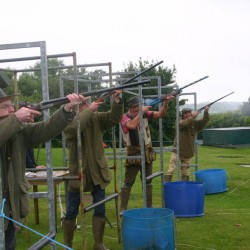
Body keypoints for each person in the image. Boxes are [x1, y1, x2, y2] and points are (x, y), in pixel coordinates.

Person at [0, 87, 86, 250]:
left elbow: (44, 130)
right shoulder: (13, 124)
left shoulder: (16, 130)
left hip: (8, 210)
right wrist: (16, 119)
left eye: (11, 105)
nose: (12, 109)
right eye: (5, 106)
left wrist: (67, 109)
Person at [62, 90, 123, 249]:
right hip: (79, 173)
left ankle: (98, 243)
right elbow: (74, 128)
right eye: (83, 104)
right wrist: (90, 110)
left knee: (100, 208)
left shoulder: (95, 117)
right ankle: (67, 244)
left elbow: (114, 118)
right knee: (71, 210)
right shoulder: (68, 120)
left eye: (86, 103)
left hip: (97, 170)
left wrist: (116, 100)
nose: (87, 106)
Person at [119, 95, 174, 215]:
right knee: (128, 182)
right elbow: (132, 125)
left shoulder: (144, 113)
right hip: (133, 153)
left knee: (148, 181)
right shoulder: (124, 118)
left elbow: (160, 115)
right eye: (136, 107)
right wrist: (141, 112)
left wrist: (165, 104)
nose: (138, 109)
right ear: (132, 108)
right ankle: (123, 208)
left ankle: (149, 206)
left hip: (147, 152)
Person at [164, 106, 210, 182]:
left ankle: (184, 188)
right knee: (171, 170)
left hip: (188, 151)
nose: (189, 115)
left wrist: (206, 111)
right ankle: (166, 187)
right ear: (183, 115)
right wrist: (192, 117)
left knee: (185, 172)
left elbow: (205, 121)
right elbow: (183, 125)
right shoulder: (179, 121)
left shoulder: (194, 123)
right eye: (187, 114)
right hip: (177, 150)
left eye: (190, 113)